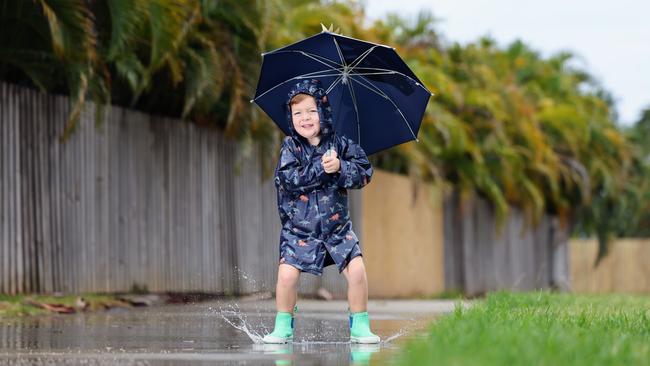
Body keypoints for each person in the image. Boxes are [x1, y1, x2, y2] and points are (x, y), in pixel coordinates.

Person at [262, 79, 379, 344]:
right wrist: (320, 169)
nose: (305, 118)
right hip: (299, 229)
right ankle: (283, 324)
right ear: (290, 118)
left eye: (311, 111)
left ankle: (360, 323)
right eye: (298, 113)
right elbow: (286, 180)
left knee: (357, 271)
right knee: (287, 275)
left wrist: (340, 168)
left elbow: (364, 174)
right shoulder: (290, 147)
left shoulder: (341, 144)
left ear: (324, 112)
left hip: (337, 229)